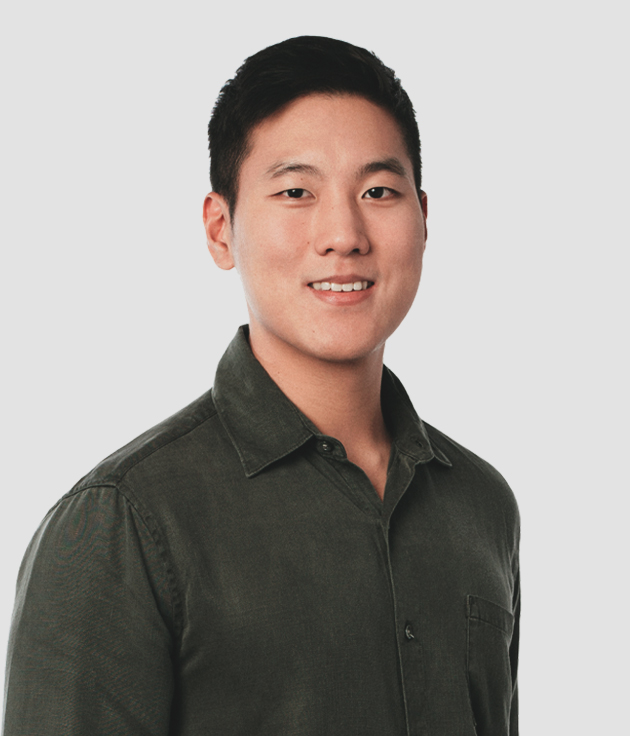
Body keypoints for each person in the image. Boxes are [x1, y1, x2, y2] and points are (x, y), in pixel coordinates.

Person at [2, 36, 520, 736]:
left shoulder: (481, 505)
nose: (343, 234)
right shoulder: (123, 522)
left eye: (377, 191)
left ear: (424, 218)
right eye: (296, 192)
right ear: (221, 229)